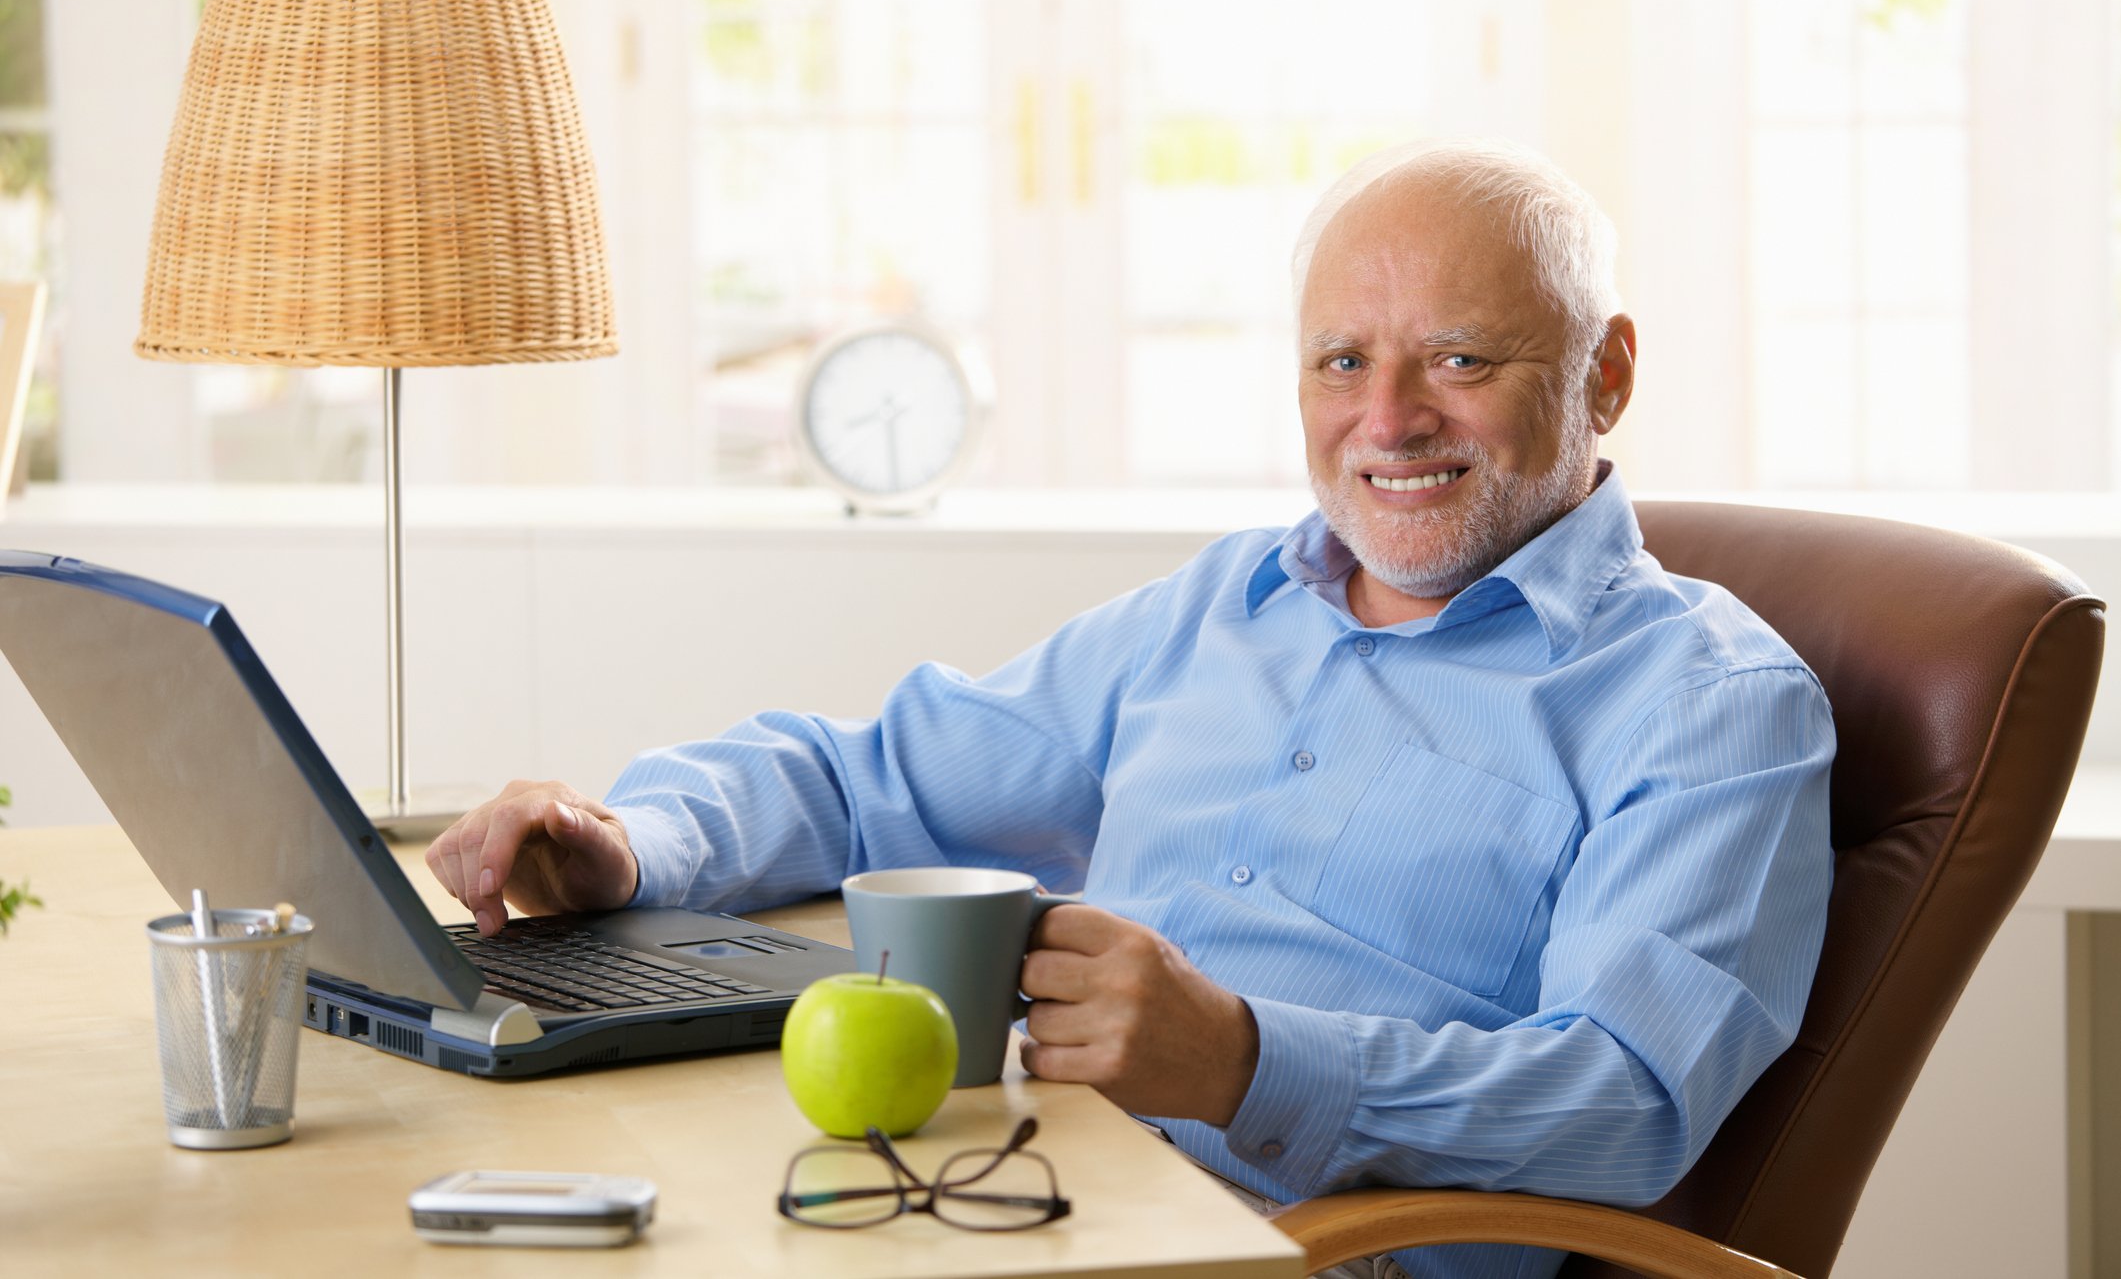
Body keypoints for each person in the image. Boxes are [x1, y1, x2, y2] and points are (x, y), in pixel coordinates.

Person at [427, 139, 1833, 1279]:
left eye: (1460, 359)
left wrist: (1243, 1060)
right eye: (1343, 361)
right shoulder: (1231, 603)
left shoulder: (1709, 704)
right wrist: (634, 843)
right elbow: (875, 781)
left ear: (1607, 372)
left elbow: (1625, 1102)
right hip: (1035, 1188)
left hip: (1317, 1250)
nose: (1388, 418)